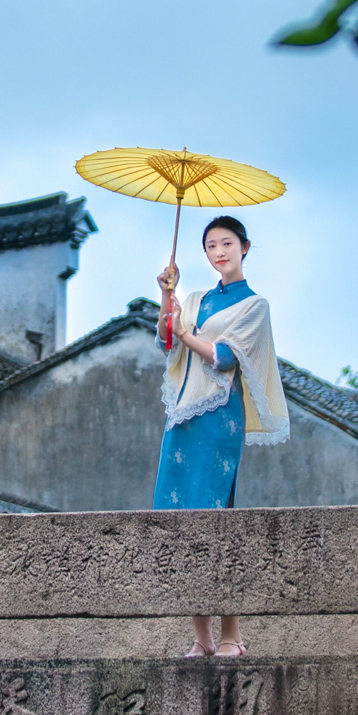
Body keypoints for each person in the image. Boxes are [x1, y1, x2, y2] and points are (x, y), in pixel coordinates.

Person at [153, 215, 290, 658]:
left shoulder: (255, 306)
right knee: (183, 520)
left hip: (218, 420)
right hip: (183, 417)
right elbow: (166, 341)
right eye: (211, 245)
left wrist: (187, 332)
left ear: (245, 247)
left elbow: (224, 357)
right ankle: (202, 638)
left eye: (227, 243)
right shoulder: (192, 299)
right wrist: (167, 294)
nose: (219, 252)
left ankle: (232, 635)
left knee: (217, 516)